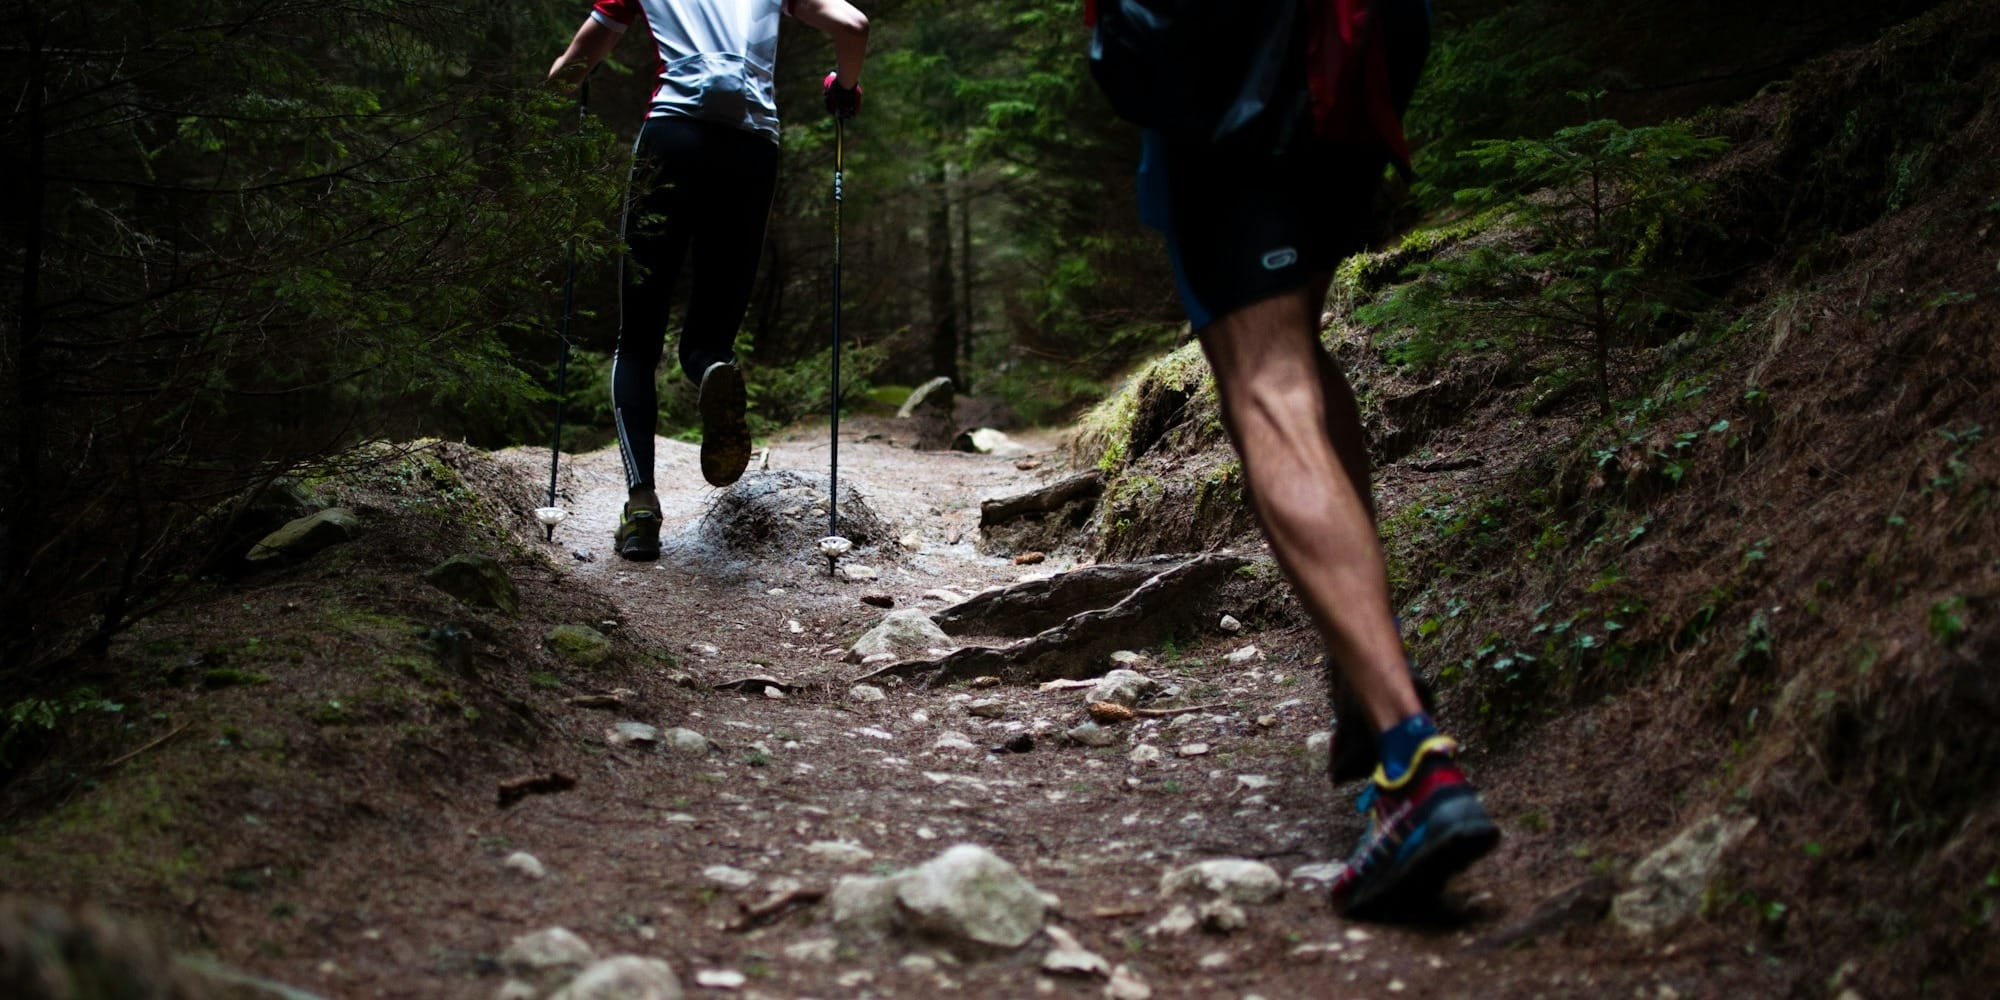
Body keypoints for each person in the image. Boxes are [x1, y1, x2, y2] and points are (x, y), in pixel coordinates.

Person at [1108, 0, 1496, 917]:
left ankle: (1411, 758)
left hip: (1236, 46)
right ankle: (1367, 683)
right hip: (1365, 37)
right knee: (1295, 345)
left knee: (1266, 380)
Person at [548, 0, 869, 561]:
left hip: (673, 141)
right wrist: (844, 86)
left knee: (638, 339)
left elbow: (574, 66)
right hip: (751, 151)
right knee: (709, 339)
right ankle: (713, 371)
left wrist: (566, 80)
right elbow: (853, 25)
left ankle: (642, 506)